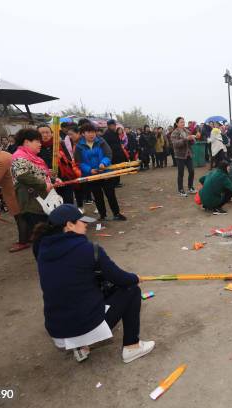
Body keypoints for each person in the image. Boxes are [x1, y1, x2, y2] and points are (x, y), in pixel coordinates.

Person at [33, 204, 154, 363]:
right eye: (82, 221)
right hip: (83, 325)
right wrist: (135, 277)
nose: (86, 225)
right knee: (131, 290)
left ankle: (81, 347)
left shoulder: (41, 247)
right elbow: (120, 278)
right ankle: (132, 347)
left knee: (88, 287)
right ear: (69, 225)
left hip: (57, 329)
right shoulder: (89, 250)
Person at [75, 123, 127, 222]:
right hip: (92, 176)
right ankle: (103, 215)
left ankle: (116, 213)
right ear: (83, 134)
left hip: (105, 173)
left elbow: (108, 154)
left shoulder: (101, 141)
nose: (92, 134)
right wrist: (89, 170)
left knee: (110, 194)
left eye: (93, 132)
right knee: (98, 196)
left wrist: (104, 163)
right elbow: (79, 162)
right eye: (89, 132)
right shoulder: (79, 147)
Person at [10, 128, 52, 240]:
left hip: (40, 201)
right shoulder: (19, 156)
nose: (40, 144)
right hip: (31, 202)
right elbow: (23, 175)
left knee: (45, 231)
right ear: (27, 142)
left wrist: (52, 180)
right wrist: (44, 185)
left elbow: (40, 174)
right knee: (42, 234)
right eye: (37, 141)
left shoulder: (32, 157)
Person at [38, 125, 79, 205]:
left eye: (47, 132)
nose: (45, 135)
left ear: (52, 133)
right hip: (47, 182)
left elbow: (69, 160)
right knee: (54, 205)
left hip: (64, 178)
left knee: (68, 203)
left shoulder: (59, 144)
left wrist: (62, 158)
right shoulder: (36, 147)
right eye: (42, 133)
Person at [171, 117, 196, 197]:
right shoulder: (174, 133)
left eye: (183, 122)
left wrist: (192, 139)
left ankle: (190, 187)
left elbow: (192, 142)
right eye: (181, 122)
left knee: (191, 171)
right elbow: (175, 144)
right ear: (177, 123)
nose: (183, 123)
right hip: (180, 156)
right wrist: (186, 139)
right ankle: (180, 189)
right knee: (181, 173)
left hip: (188, 154)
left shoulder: (187, 131)